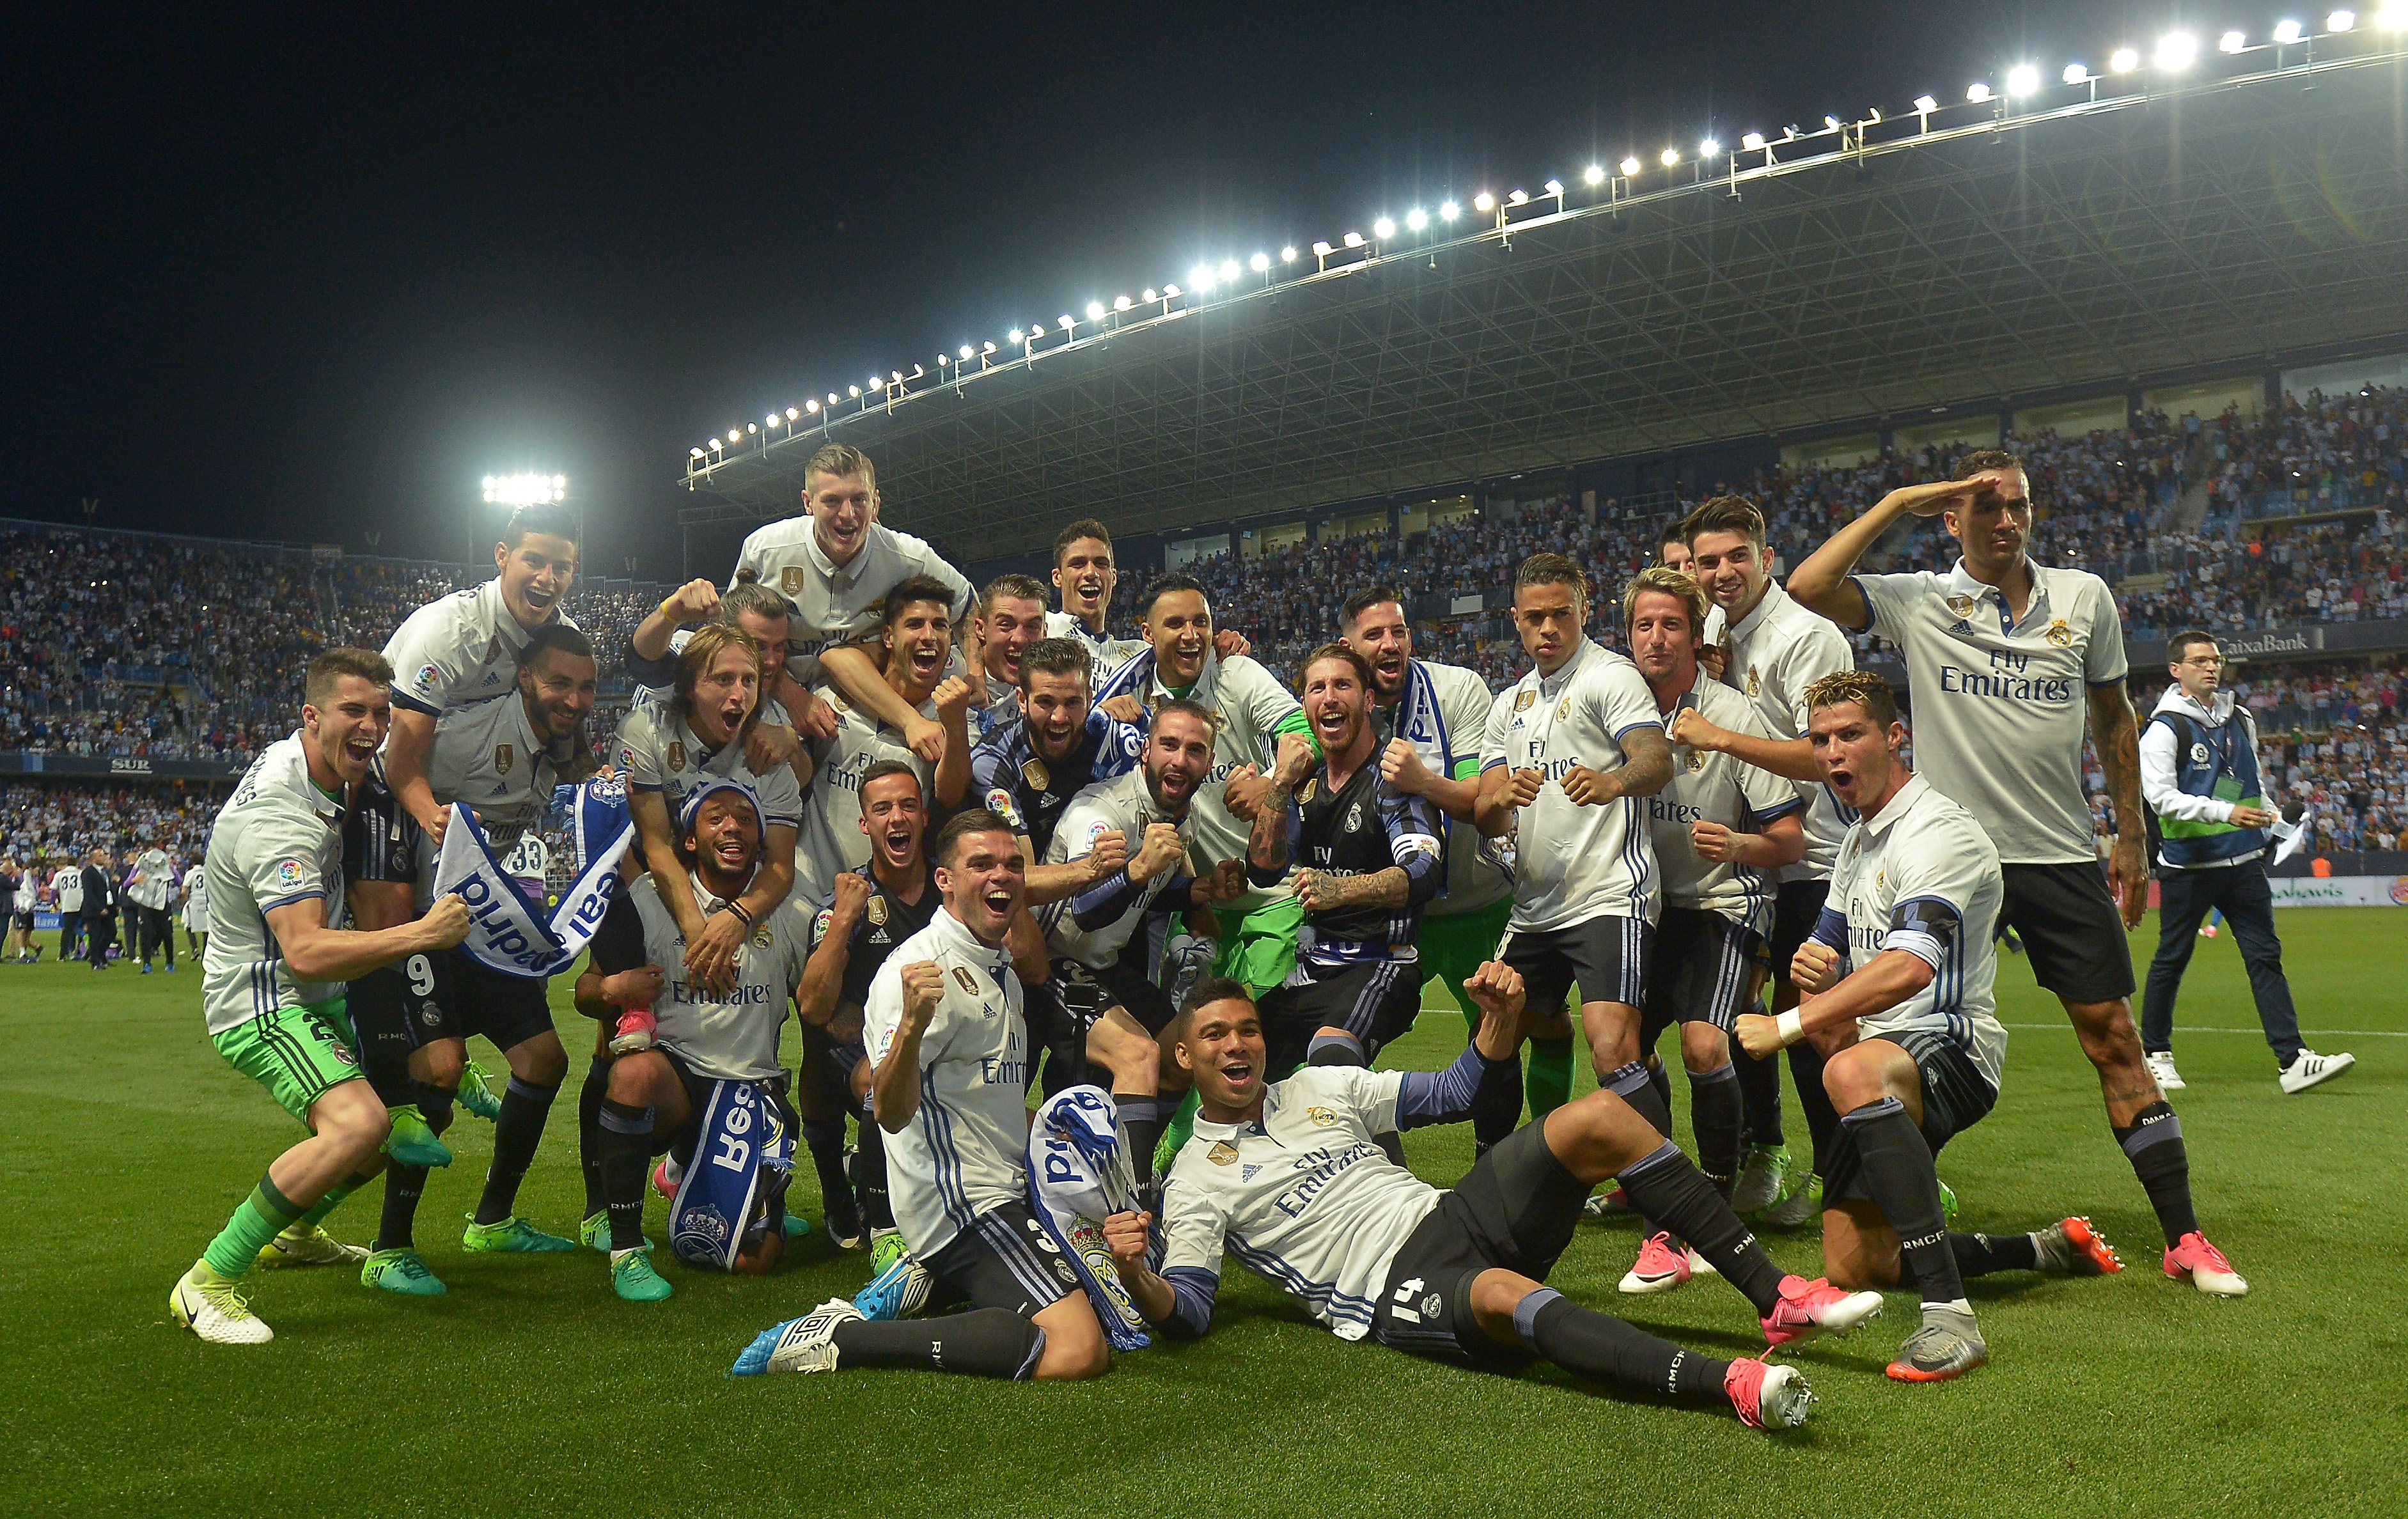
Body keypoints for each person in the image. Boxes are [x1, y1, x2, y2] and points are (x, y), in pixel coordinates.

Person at [1787, 449, 2246, 1297]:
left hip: (2057, 850)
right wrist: (1899, 498)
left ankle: (2184, 1236)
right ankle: (1880, 1197)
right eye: (1985, 506)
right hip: (1946, 857)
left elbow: (2114, 721)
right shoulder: (1921, 600)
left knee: (2111, 1037)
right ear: (1951, 518)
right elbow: (1808, 587)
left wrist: (2130, 836)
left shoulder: (2084, 598)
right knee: (1866, 1030)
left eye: (2017, 506)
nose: (2006, 520)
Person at [1107, 972, 1889, 1429]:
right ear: (1184, 1055)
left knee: (1599, 1116)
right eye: (1214, 1036)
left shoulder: (1315, 1087)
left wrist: (1500, 1019)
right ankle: (1730, 1385)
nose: (1237, 1045)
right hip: (1391, 1288)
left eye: (1246, 1030)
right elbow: (1192, 1311)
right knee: (1505, 1294)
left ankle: (1774, 1296)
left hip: (1449, 1213)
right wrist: (1140, 1277)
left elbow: (1455, 1091)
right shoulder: (1195, 1180)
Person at [1735, 672, 2125, 1382]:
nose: (1831, 753)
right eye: (1819, 740)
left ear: (1893, 737)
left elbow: (1910, 968)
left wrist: (1787, 1023)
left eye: (1849, 734)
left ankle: (1950, 1320)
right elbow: (1826, 946)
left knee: (1845, 1067)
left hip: (1952, 1048)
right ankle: (2040, 1249)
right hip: (1881, 1053)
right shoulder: (1857, 842)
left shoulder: (1938, 830)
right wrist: (1809, 964)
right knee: (1863, 1265)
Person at [732, 809, 1126, 1383]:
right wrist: (913, 1028)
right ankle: (848, 1338)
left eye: (1014, 864)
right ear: (945, 880)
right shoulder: (915, 974)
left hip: (1011, 1185)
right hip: (964, 1205)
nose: (1003, 877)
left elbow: (978, 1099)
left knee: (1127, 1292)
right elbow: (890, 1114)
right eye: (981, 865)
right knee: (1077, 1348)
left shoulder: (1001, 968)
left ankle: (928, 1280)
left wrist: (1050, 1130)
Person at [171, 648, 473, 1344]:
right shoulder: (279, 817)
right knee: (358, 1125)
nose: (369, 728)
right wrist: (422, 933)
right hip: (265, 1000)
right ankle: (209, 1280)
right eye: (352, 712)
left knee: (397, 1127)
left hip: (314, 992)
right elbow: (304, 953)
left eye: (379, 714)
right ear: (311, 716)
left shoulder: (323, 773)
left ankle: (298, 1232)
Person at [345, 623, 602, 1295]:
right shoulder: (477, 733)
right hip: (422, 922)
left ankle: (492, 1219)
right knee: (441, 1067)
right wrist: (391, 879)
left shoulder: (560, 742)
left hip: (477, 921)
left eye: (585, 687)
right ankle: (388, 1248)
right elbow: (384, 771)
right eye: (558, 684)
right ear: (524, 679)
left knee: (543, 1058)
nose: (572, 700)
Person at [1619, 567, 1804, 1293]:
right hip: (1646, 907)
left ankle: (1711, 1198)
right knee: (1623, 1049)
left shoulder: (1730, 713)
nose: (1656, 638)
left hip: (1724, 905)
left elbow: (1787, 841)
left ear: (1697, 635)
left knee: (1703, 1042)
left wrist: (1735, 845)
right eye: (1643, 625)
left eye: (1670, 625)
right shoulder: (1616, 706)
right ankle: (1661, 1179)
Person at [1676, 495, 1859, 1226]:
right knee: (1749, 1018)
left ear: (1766, 558)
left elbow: (1829, 758)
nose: (1721, 573)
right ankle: (1770, 1154)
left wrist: (1723, 736)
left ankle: (1841, 1177)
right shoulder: (1717, 631)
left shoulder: (1806, 638)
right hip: (1754, 869)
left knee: (1819, 1026)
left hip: (1817, 862)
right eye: (1707, 561)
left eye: (1734, 558)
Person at [577, 781, 816, 1302]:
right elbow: (586, 989)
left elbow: (816, 1001)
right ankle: (626, 1250)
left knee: (756, 1262)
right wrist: (614, 989)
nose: (732, 827)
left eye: (745, 820)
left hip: (749, 1090)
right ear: (689, 841)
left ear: (759, 842)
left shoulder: (791, 906)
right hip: (678, 1082)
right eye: (716, 818)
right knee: (632, 1073)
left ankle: (696, 1175)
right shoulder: (649, 900)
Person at [1473, 553, 1675, 1149]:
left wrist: (1615, 781)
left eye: (1562, 614)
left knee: (1612, 1046)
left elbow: (1656, 759)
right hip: (1535, 906)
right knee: (1495, 1032)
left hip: (1610, 893)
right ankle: (1497, 1180)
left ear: (1585, 611)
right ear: (1516, 620)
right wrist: (1501, 798)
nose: (1549, 629)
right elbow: (1485, 813)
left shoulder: (1610, 677)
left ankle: (1666, 1218)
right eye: (1535, 618)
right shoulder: (1508, 704)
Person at [1337, 588, 1548, 1150]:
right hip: (1399, 915)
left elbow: (1484, 803)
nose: (1390, 643)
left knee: (1495, 1032)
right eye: (1375, 634)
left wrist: (1422, 782)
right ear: (1348, 646)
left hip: (1481, 906)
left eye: (1399, 631)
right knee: (1352, 1037)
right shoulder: (1338, 702)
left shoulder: (1458, 689)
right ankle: (1372, 1169)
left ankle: (1493, 1164)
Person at [1039, 699, 1246, 1189]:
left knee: (1183, 1052)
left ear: (1208, 761)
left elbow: (1151, 895)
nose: (1180, 760)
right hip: (1050, 962)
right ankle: (1130, 1208)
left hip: (1104, 965)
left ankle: (1137, 1175)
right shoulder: (1101, 813)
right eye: (1169, 745)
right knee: (1139, 1053)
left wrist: (1198, 890)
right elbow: (1084, 911)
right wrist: (1138, 871)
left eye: (1195, 750)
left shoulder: (1181, 814)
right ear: (1146, 750)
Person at [2139, 632, 2352, 1095]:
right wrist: (2224, 812)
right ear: (2176, 670)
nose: (2211, 668)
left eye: (2215, 660)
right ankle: (2154, 1053)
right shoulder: (2163, 729)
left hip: (2243, 862)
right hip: (2189, 866)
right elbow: (2160, 798)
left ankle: (2293, 1060)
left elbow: (2248, 782)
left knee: (2265, 957)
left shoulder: (2240, 716)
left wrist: (2276, 821)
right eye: (2199, 661)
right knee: (2172, 960)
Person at [1246, 646, 1444, 1129]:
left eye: (1343, 686)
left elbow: (1423, 871)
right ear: (1305, 705)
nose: (1330, 698)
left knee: (1332, 1061)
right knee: (1236, 1057)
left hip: (1379, 963)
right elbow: (1264, 870)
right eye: (1318, 688)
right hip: (1310, 969)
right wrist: (1278, 784)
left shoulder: (1393, 778)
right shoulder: (1305, 782)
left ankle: (1387, 1195)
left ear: (1368, 698)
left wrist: (1343, 890)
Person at [1095, 573, 1315, 997]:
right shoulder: (1131, 696)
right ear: (1147, 634)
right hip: (1199, 899)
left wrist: (1270, 784)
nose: (1191, 635)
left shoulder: (1239, 675)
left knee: (1272, 1031)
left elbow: (1305, 736)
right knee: (1189, 1040)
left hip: (1277, 895)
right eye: (1175, 623)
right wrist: (1102, 719)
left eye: (1201, 622)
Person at [729, 442, 975, 764]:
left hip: (861, 704)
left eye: (859, 499)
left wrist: (977, 672)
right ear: (808, 503)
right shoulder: (766, 550)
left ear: (876, 503)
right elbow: (732, 635)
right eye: (832, 501)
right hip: (777, 693)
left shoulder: (908, 556)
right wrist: (794, 697)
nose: (848, 515)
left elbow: (968, 607)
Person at [795, 761, 940, 1293]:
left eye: (906, 806)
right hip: (863, 1048)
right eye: (882, 809)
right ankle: (880, 1223)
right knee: (877, 1079)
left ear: (924, 817)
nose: (896, 818)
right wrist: (843, 924)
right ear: (864, 824)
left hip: (945, 1042)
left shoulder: (952, 890)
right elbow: (812, 1007)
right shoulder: (848, 901)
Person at [613, 623, 805, 1004]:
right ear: (687, 686)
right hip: (650, 871)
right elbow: (655, 844)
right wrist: (697, 933)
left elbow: (781, 865)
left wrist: (737, 917)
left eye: (749, 680)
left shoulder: (769, 758)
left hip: (729, 882)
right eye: (723, 679)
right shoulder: (646, 731)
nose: (739, 694)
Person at [379, 501, 580, 850]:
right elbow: (400, 757)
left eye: (561, 567)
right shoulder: (450, 632)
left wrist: (594, 777)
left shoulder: (566, 638)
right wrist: (434, 818)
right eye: (534, 561)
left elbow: (567, 739)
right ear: (502, 556)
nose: (547, 578)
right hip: (406, 805)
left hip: (489, 824)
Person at [797, 575, 973, 904]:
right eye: (915, 624)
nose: (929, 636)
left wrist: (956, 727)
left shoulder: (954, 713)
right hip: (807, 888)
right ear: (889, 636)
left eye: (940, 626)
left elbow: (951, 795)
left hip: (890, 902)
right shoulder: (832, 697)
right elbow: (833, 657)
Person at [623, 579, 817, 793]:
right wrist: (671, 613)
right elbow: (643, 663)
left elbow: (802, 788)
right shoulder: (695, 659)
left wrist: (792, 744)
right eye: (758, 646)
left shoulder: (777, 709)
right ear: (724, 634)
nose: (771, 661)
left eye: (779, 647)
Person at [1044, 519, 1150, 675]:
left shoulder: (1138, 656)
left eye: (1101, 564)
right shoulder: (1041, 628)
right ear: (1057, 577)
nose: (1091, 573)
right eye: (1078, 564)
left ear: (1114, 577)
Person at [964, 573, 1049, 742]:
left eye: (1032, 627)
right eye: (1006, 625)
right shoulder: (948, 672)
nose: (1019, 638)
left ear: (1044, 633)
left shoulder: (1051, 691)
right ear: (981, 629)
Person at [125, 839, 179, 972]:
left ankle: (170, 962)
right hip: (146, 903)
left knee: (166, 934)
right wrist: (135, 880)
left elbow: (179, 881)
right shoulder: (142, 865)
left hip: (163, 903)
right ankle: (147, 964)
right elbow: (126, 883)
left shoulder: (166, 864)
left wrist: (172, 868)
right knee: (145, 933)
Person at [79, 847, 118, 970]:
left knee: (112, 932)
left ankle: (98, 955)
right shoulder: (88, 873)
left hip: (108, 908)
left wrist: (115, 905)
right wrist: (99, 908)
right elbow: (89, 894)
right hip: (93, 910)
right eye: (101, 855)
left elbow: (109, 890)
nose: (104, 857)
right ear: (94, 859)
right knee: (95, 936)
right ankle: (96, 963)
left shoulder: (105, 872)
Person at [52, 856, 83, 962]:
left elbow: (53, 891)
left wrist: (54, 904)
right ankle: (82, 952)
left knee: (67, 931)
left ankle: (62, 955)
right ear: (76, 864)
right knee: (84, 928)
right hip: (81, 904)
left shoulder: (60, 875)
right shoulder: (80, 873)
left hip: (67, 906)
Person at [181, 855, 208, 960]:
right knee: (206, 928)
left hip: (195, 900)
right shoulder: (207, 873)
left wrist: (186, 901)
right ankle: (206, 952)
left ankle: (195, 949)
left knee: (188, 925)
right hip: (206, 900)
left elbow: (184, 891)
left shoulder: (190, 873)